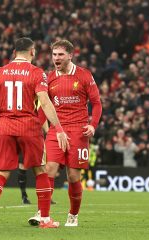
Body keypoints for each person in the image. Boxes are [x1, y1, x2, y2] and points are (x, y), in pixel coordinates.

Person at [0, 37, 69, 229]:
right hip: (29, 126)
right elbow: (45, 102)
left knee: (1, 172)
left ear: (14, 52)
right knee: (40, 171)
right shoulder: (36, 73)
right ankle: (45, 219)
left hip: (6, 126)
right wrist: (58, 128)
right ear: (32, 52)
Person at [28, 39, 102, 227]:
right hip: (56, 130)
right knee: (49, 170)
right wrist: (38, 127)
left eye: (60, 54)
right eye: (54, 55)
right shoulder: (48, 77)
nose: (56, 58)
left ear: (70, 55)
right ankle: (42, 213)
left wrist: (93, 124)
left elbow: (97, 103)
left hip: (78, 130)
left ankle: (73, 215)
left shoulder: (84, 75)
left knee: (73, 177)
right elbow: (43, 107)